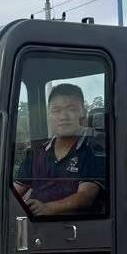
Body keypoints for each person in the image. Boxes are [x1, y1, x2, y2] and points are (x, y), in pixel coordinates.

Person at [14, 83, 105, 218]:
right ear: (49, 115)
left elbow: (86, 196)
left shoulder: (94, 149)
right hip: (35, 227)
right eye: (56, 110)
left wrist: (49, 208)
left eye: (71, 109)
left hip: (78, 230)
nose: (63, 116)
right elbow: (14, 191)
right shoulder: (37, 152)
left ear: (83, 113)